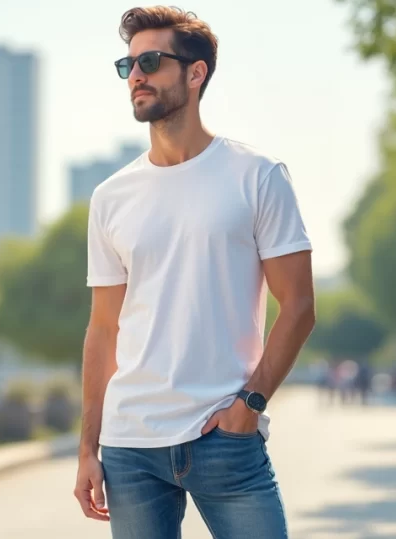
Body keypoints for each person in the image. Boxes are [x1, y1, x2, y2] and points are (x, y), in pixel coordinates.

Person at [73, 6, 316, 538]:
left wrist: (250, 404)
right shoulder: (111, 197)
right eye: (128, 65)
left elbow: (298, 306)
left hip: (225, 438)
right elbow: (104, 328)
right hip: (130, 448)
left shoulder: (257, 176)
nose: (136, 76)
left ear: (195, 72)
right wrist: (88, 447)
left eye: (151, 62)